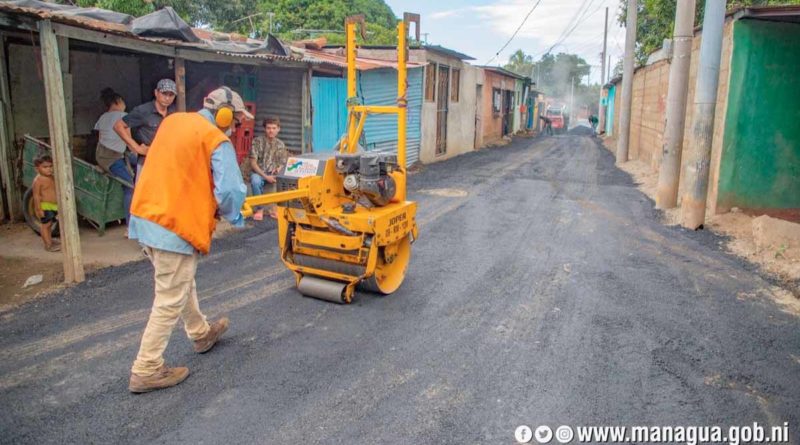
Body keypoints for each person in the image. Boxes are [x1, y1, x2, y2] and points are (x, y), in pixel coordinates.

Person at [126, 86, 253, 393]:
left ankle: (200, 333)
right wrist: (236, 214)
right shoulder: (215, 139)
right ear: (223, 114)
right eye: (235, 120)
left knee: (182, 280)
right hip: (174, 224)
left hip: (146, 217)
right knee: (169, 298)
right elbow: (230, 192)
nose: (235, 126)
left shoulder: (173, 122)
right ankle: (146, 368)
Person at [113, 79, 177, 180]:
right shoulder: (143, 111)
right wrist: (136, 147)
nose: (167, 98)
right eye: (164, 93)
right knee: (145, 194)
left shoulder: (174, 112)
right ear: (156, 92)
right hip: (147, 162)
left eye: (171, 95)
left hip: (168, 161)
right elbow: (118, 126)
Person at [94, 88, 135, 225]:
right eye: (123, 101)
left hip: (101, 156)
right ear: (117, 102)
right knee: (130, 186)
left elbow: (100, 139)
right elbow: (129, 142)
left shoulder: (102, 117)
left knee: (133, 162)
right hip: (113, 158)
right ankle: (130, 225)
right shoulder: (123, 116)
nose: (124, 104)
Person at [249, 116, 289, 220]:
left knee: (285, 179)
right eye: (268, 128)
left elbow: (283, 162)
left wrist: (279, 168)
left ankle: (275, 208)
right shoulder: (257, 142)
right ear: (265, 129)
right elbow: (253, 163)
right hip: (259, 173)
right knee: (255, 181)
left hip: (273, 173)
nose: (271, 131)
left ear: (278, 129)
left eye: (274, 128)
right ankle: (259, 209)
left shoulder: (280, 144)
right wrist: (266, 177)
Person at [31, 155, 60, 252]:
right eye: (45, 167)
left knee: (50, 224)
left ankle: (50, 240)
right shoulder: (38, 180)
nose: (49, 169)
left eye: (50, 166)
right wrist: (38, 209)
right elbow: (36, 196)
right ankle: (48, 245)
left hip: (54, 206)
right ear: (37, 169)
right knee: (46, 225)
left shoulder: (52, 177)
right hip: (45, 206)